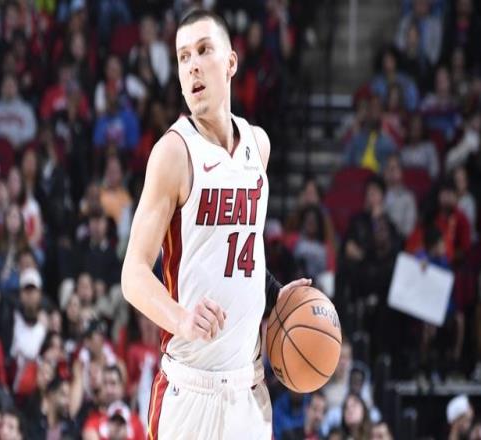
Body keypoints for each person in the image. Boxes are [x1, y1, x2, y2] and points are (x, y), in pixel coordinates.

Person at [121, 9, 309, 439]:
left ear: (230, 62)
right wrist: (181, 318)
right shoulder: (173, 153)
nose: (193, 65)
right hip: (190, 390)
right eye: (183, 56)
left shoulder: (258, 146)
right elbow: (132, 274)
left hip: (248, 390)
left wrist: (276, 294)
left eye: (204, 50)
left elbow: (240, 247)